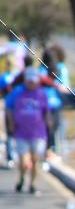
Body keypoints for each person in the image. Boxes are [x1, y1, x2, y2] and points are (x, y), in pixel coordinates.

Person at [5, 67, 50, 195]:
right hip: (21, 132)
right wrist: (11, 122)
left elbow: (46, 111)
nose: (31, 83)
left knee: (35, 161)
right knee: (25, 162)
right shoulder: (17, 92)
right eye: (29, 81)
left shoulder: (42, 93)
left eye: (34, 81)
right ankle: (22, 177)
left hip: (38, 133)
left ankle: (33, 184)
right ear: (25, 80)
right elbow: (9, 108)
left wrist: (48, 122)